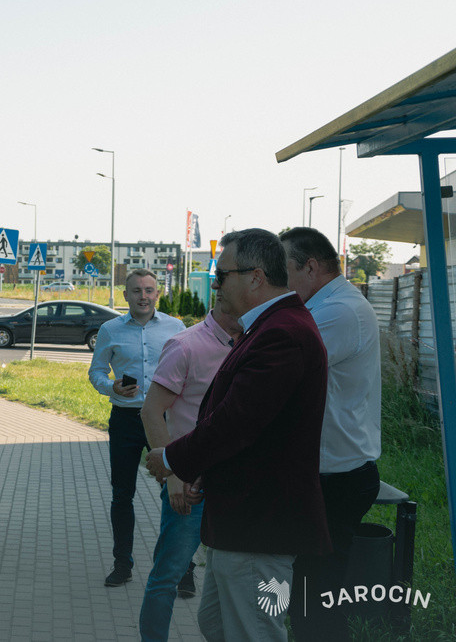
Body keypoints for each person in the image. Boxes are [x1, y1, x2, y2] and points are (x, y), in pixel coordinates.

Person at [145, 228, 331, 641]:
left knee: (253, 632)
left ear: (255, 276)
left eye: (221, 276)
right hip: (242, 524)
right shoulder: (270, 325)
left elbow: (237, 422)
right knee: (216, 624)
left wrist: (174, 459)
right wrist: (201, 469)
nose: (215, 285)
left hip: (259, 526)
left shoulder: (282, 333)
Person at [280, 227, 381, 641]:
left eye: (282, 269)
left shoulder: (338, 312)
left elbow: (280, 366)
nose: (277, 279)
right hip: (329, 470)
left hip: (336, 476)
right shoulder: (328, 306)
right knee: (312, 587)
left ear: (311, 266)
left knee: (318, 594)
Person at [138, 301, 242, 642]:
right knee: (169, 574)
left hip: (236, 484)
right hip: (189, 485)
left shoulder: (254, 343)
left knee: (231, 576)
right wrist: (173, 477)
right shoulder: (186, 345)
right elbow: (152, 411)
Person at [89, 268, 185, 587]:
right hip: (126, 421)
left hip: (163, 420)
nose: (143, 296)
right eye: (136, 291)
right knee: (122, 494)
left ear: (157, 294)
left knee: (175, 490)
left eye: (149, 290)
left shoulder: (176, 328)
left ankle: (183, 570)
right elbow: (97, 372)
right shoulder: (110, 329)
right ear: (126, 294)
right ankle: (122, 564)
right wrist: (111, 388)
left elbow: (189, 370)